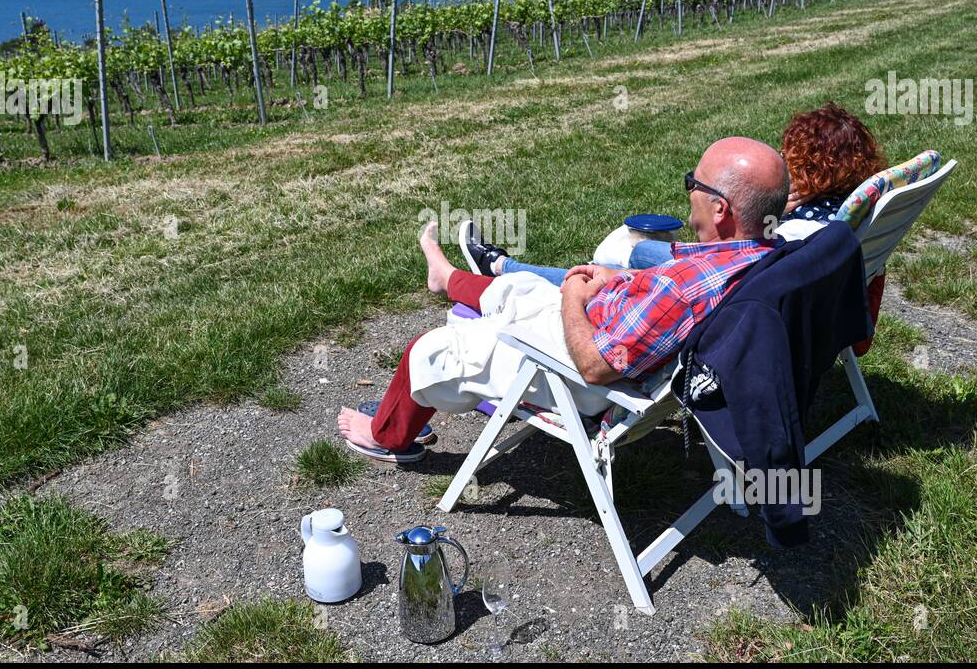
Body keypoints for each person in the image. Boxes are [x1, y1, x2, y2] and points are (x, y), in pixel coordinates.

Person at [336, 137, 788, 463]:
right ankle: (447, 276)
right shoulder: (764, 255)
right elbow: (673, 293)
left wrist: (574, 297)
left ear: (720, 209)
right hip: (617, 330)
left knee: (430, 350)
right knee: (519, 288)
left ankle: (387, 437)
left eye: (695, 183)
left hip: (583, 379)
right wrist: (622, 280)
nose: (688, 189)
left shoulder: (681, 291)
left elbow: (594, 366)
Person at [460, 102, 889, 283]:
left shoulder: (799, 233)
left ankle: (501, 267)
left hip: (718, 290)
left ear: (815, 164)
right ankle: (506, 267)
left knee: (623, 257)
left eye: (790, 153)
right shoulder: (837, 217)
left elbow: (746, 260)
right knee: (616, 264)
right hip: (757, 295)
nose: (780, 155)